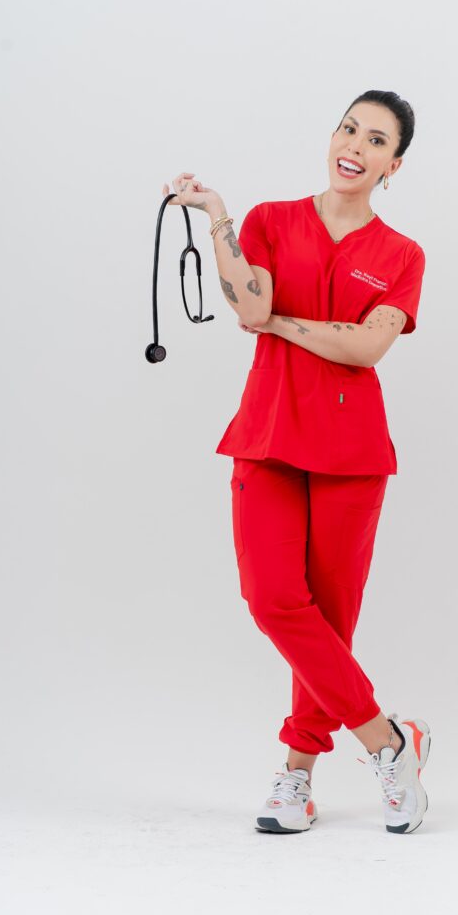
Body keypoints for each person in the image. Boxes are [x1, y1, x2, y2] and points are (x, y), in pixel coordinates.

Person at [161, 89, 431, 835]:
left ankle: (296, 776)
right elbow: (248, 308)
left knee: (330, 619)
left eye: (375, 140)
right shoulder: (269, 222)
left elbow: (366, 347)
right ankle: (388, 743)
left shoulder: (401, 255)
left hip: (350, 450)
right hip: (269, 435)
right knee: (273, 599)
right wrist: (217, 215)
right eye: (349, 128)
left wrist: (281, 323)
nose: (355, 146)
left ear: (393, 165)